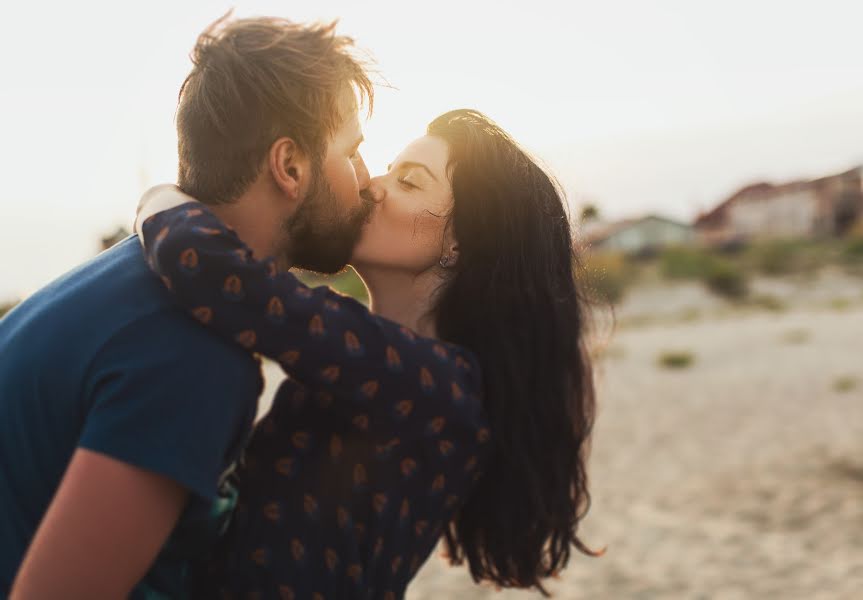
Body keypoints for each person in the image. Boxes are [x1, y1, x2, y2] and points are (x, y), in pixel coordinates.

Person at [136, 108, 598, 599]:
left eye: (409, 182)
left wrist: (160, 199)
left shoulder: (434, 381)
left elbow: (207, 268)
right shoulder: (398, 363)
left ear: (459, 240)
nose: (374, 185)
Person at [0, 15, 375, 598]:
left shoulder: (136, 271)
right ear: (291, 166)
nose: (367, 179)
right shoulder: (191, 350)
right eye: (353, 152)